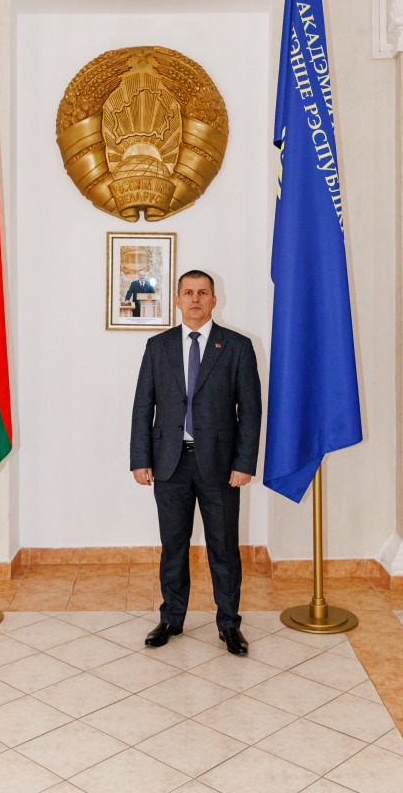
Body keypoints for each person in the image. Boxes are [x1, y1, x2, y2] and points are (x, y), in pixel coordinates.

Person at [131, 270, 262, 656]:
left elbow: (250, 412)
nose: (195, 299)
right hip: (169, 463)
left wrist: (244, 462)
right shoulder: (158, 347)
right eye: (187, 292)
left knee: (224, 547)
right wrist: (140, 457)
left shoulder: (237, 346)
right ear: (176, 299)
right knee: (173, 545)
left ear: (214, 299)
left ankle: (229, 624)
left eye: (202, 292)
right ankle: (171, 618)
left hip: (221, 466)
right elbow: (143, 407)